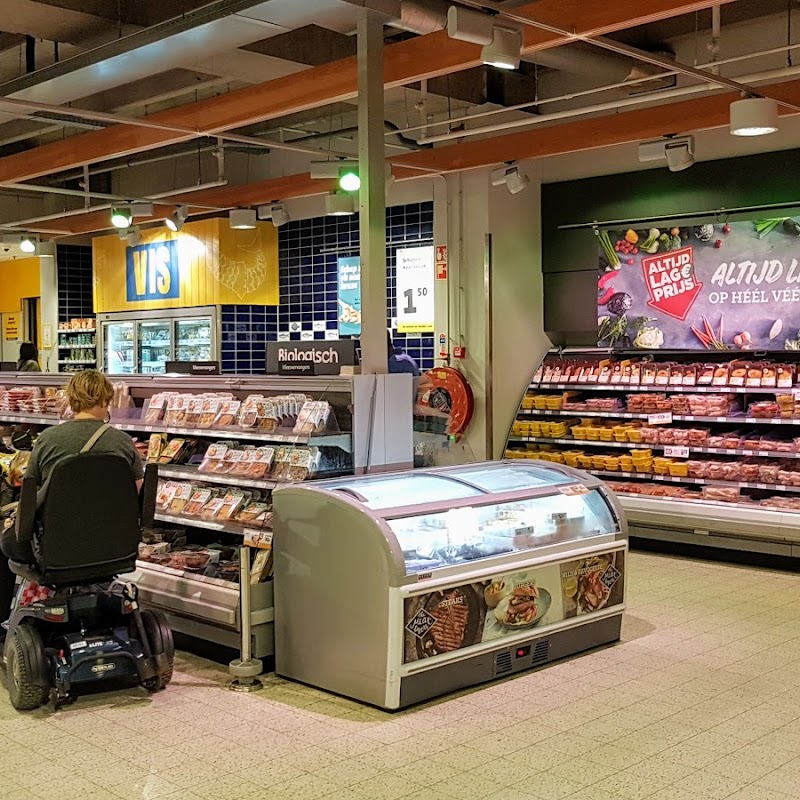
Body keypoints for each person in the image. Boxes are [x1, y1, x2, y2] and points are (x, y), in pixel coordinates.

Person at [0, 370, 144, 635]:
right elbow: (133, 492)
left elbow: (31, 494)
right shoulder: (123, 442)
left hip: (57, 549)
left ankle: (2, 627)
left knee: (5, 543)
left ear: (73, 400)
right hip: (112, 547)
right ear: (105, 401)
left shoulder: (48, 440)